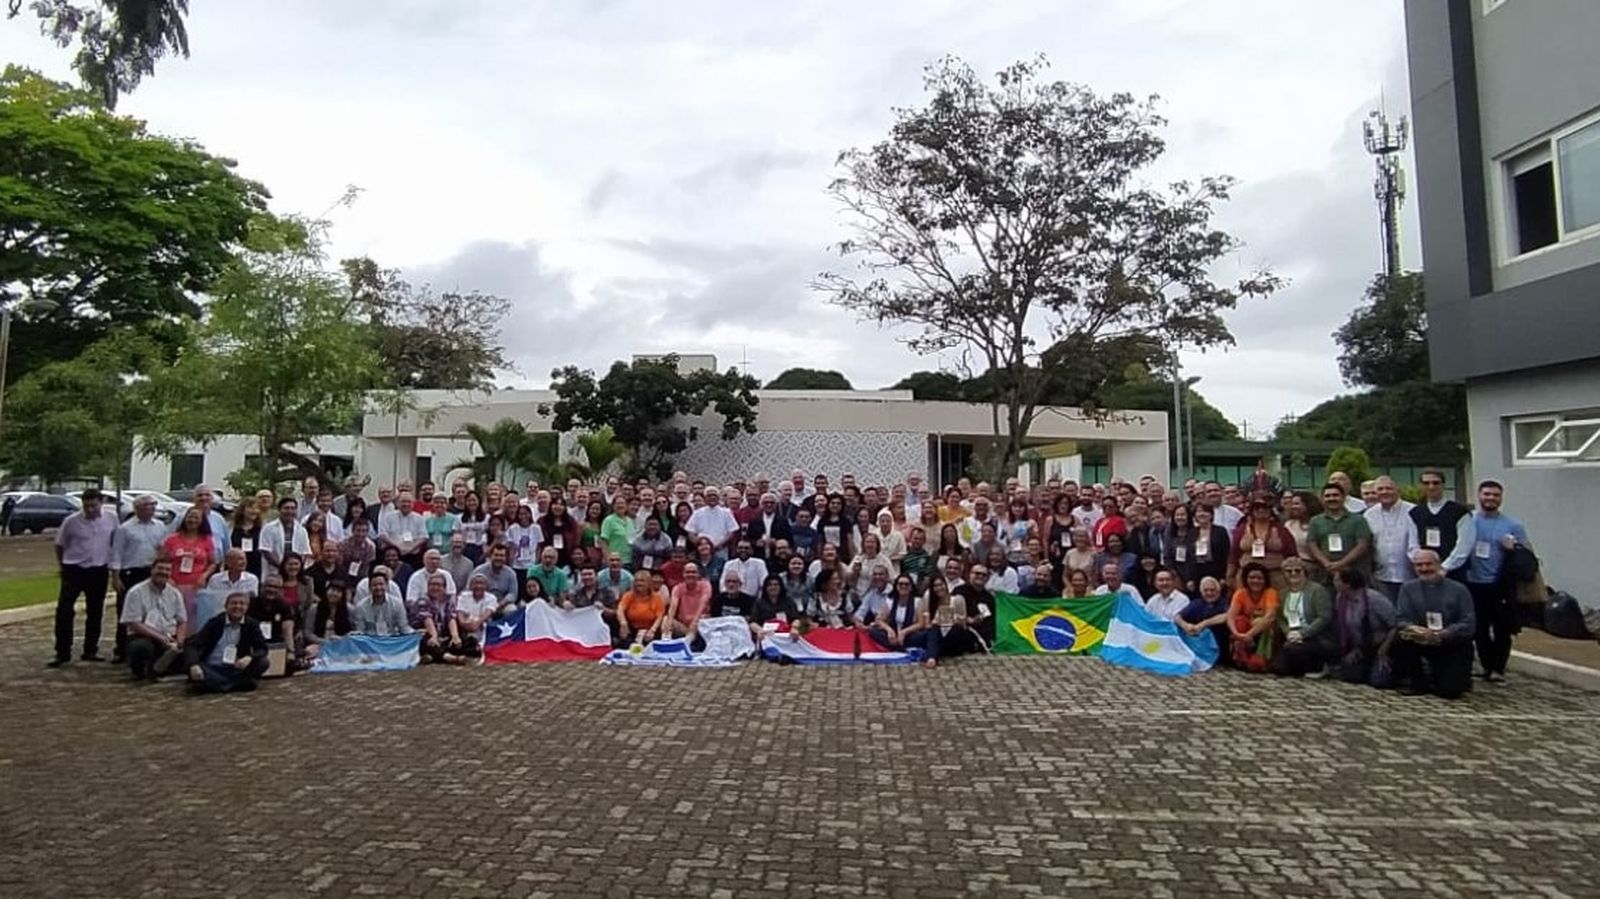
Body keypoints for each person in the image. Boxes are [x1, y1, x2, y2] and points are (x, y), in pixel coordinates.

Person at [1465, 480, 1529, 684]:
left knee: (1501, 629)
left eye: (1495, 495)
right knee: (1479, 629)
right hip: (1473, 583)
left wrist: (1513, 548)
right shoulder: (1469, 521)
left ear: (1501, 498)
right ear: (1479, 495)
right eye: (1487, 494)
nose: (1490, 498)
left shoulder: (1513, 525)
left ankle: (1498, 669)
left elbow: (1528, 555)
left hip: (1500, 584)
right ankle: (1486, 665)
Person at [48, 488, 119, 668]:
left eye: (93, 506)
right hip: (74, 569)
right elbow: (60, 544)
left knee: (95, 611)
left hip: (98, 569)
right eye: (86, 506)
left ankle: (90, 649)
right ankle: (62, 652)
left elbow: (115, 542)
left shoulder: (111, 519)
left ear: (101, 503)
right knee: (65, 609)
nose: (90, 510)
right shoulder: (71, 521)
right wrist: (63, 565)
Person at [1392, 549, 1476, 699]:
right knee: (1400, 639)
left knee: (1449, 692)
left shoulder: (1459, 590)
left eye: (1428, 564)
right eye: (1419, 565)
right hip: (1421, 639)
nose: (1424, 569)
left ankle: (1455, 678)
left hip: (1451, 642)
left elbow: (1468, 623)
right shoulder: (1408, 588)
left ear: (1438, 564)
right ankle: (1417, 681)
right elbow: (1401, 618)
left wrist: (1444, 633)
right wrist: (1415, 629)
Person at [110, 494, 168, 664]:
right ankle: (121, 649)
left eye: (152, 505)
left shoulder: (160, 526)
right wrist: (115, 576)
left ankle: (153, 644)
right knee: (126, 611)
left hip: (151, 570)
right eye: (146, 506)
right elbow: (116, 553)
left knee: (153, 609)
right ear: (137, 509)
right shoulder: (125, 528)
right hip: (130, 572)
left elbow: (163, 550)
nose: (150, 509)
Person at [185, 591, 270, 694]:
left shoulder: (252, 624)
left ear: (247, 607)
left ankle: (219, 685)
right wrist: (194, 665)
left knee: (263, 662)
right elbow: (193, 645)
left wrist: (249, 657)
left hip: (236, 668)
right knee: (197, 670)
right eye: (233, 603)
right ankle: (237, 684)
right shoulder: (215, 622)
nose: (237, 606)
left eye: (242, 603)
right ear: (226, 606)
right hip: (213, 667)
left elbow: (262, 648)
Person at [119, 558, 189, 680]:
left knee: (192, 649)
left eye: (167, 570)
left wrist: (179, 642)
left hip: (169, 637)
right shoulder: (136, 592)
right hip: (144, 636)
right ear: (152, 570)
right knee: (141, 648)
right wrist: (160, 638)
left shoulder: (175, 593)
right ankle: (146, 671)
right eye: (160, 568)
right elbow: (134, 623)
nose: (163, 572)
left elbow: (182, 621)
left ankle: (160, 668)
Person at [1328, 567, 1396, 688]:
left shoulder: (1374, 599)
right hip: (1361, 647)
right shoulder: (1340, 599)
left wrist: (1384, 649)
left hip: (1382, 645)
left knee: (1379, 682)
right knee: (1352, 676)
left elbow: (1395, 625)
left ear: (1347, 584)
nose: (1334, 583)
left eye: (1337, 580)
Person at [1269, 559, 1336, 678]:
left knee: (1291, 649)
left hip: (1317, 637)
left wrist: (1302, 634)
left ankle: (1322, 666)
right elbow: (1280, 618)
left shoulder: (1317, 590)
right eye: (1289, 571)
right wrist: (1289, 632)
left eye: (1297, 570)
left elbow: (1324, 617)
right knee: (1278, 668)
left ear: (1305, 572)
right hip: (1293, 637)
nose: (1293, 574)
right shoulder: (1282, 593)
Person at [1410, 468, 1473, 582]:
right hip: (1425, 573)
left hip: (1454, 573)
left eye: (1436, 483)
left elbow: (1464, 546)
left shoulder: (1459, 512)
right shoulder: (1415, 513)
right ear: (1421, 486)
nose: (1431, 487)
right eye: (1426, 483)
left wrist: (1444, 568)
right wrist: (1424, 565)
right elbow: (1412, 544)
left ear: (1443, 485)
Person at [1363, 476, 1419, 600]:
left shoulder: (1413, 511)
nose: (1384, 492)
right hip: (1381, 576)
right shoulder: (1369, 515)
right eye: (1380, 489)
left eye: (1389, 488)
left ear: (1397, 489)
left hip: (1410, 575)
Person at [1228, 496, 1298, 594]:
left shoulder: (1282, 530)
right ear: (1252, 510)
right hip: (1246, 579)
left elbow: (1292, 554)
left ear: (1270, 509)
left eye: (1265, 507)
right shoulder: (1242, 529)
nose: (1261, 510)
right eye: (1257, 507)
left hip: (1276, 579)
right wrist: (1229, 577)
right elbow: (1234, 555)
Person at [1307, 482, 1372, 587]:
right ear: (1322, 499)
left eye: (1335, 495)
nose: (1331, 498)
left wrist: (1341, 564)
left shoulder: (1358, 520)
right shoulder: (1315, 521)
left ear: (1343, 497)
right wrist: (1327, 564)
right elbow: (1312, 544)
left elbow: (1362, 545)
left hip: (1353, 574)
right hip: (1325, 575)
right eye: (1327, 496)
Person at [161, 506, 216, 629]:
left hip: (196, 585)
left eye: (196, 518)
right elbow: (162, 560)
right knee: (173, 615)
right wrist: (168, 578)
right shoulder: (172, 539)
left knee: (193, 616)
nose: (193, 520)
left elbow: (213, 563)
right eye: (190, 517)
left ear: (202, 521)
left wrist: (204, 576)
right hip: (174, 584)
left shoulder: (206, 540)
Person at [1227, 563, 1279, 672]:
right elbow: (1231, 616)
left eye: (1259, 578)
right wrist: (1236, 633)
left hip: (1264, 632)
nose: (1255, 581)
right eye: (1252, 577)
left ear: (1265, 580)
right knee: (1239, 621)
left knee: (1256, 665)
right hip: (1245, 634)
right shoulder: (1240, 593)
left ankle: (1261, 658)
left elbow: (1270, 617)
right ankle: (1240, 657)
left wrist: (1249, 634)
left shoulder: (1270, 593)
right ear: (1246, 579)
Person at [410, 572, 471, 665]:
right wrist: (434, 636)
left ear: (444, 587)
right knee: (428, 640)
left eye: (439, 585)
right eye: (432, 585)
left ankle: (432, 657)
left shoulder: (449, 600)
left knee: (463, 639)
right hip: (427, 632)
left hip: (443, 633)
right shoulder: (423, 600)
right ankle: (449, 658)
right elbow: (427, 619)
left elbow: (451, 618)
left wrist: (455, 636)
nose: (435, 588)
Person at [1177, 577, 1231, 664]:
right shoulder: (1196, 603)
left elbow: (1227, 616)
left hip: (1219, 643)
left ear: (1219, 591)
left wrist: (1204, 624)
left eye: (1212, 590)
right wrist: (1185, 625)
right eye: (1206, 590)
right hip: (1199, 642)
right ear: (1201, 592)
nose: (1209, 593)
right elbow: (1177, 617)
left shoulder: (1225, 603)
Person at [664, 561, 712, 644]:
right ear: (683, 574)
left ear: (698, 574)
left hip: (700, 626)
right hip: (684, 626)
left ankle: (687, 644)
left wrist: (694, 622)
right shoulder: (677, 588)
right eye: (687, 572)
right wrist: (669, 623)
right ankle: (666, 643)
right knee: (666, 619)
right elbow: (672, 608)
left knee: (701, 620)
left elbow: (703, 604)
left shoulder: (705, 585)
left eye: (693, 572)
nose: (690, 575)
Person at [687, 488, 741, 559]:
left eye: (714, 495)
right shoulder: (697, 513)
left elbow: (731, 533)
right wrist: (701, 545)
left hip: (721, 550)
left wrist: (719, 545)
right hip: (702, 552)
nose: (712, 497)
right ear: (705, 498)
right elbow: (691, 533)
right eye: (709, 495)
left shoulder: (726, 512)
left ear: (718, 498)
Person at [259, 498, 311, 572]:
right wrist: (282, 567)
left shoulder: (302, 530)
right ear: (279, 510)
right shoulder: (268, 528)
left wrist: (297, 567)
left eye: (293, 508)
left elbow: (305, 552)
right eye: (286, 508)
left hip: (294, 572)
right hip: (274, 570)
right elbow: (266, 550)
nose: (290, 511)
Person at [617, 571, 667, 646]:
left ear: (649, 583)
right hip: (632, 628)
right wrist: (623, 623)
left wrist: (652, 630)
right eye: (637, 581)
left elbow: (659, 616)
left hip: (650, 630)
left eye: (642, 581)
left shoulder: (657, 598)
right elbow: (620, 609)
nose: (639, 583)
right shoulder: (628, 595)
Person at [378, 492, 429, 566]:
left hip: (412, 555)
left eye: (409, 502)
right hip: (392, 555)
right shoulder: (389, 517)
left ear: (413, 504)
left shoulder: (419, 518)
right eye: (403, 501)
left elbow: (424, 536)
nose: (406, 504)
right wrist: (397, 547)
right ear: (397, 503)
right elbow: (382, 534)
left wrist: (411, 548)